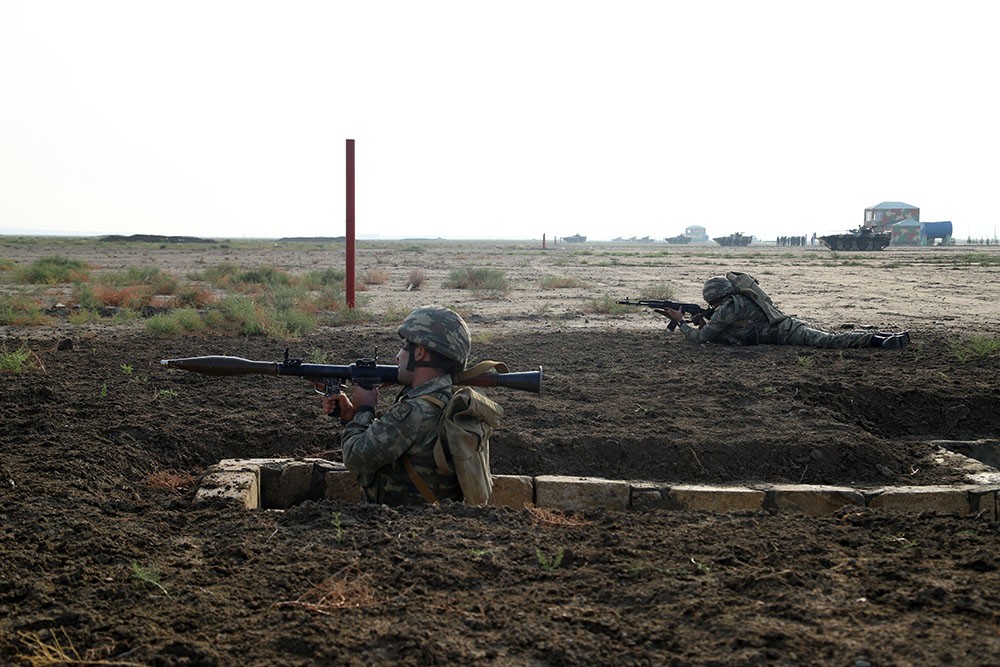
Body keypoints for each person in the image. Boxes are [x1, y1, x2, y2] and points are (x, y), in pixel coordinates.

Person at [321, 305, 473, 505]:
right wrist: (351, 416)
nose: (397, 356)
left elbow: (356, 458)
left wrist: (365, 409)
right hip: (431, 520)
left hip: (402, 522)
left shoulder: (414, 411)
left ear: (419, 352)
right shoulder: (449, 399)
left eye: (403, 346)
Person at [660, 274, 910, 349]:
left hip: (787, 331)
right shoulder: (736, 301)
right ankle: (884, 337)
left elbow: (700, 338)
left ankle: (880, 340)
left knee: (831, 341)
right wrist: (704, 320)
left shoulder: (729, 307)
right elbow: (726, 330)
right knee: (831, 336)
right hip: (785, 326)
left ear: (715, 298)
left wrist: (681, 323)